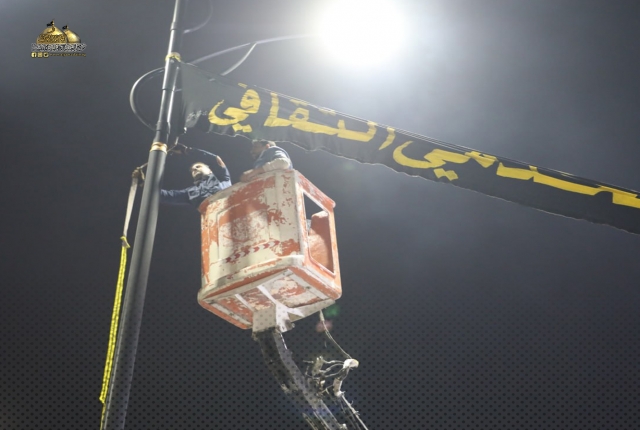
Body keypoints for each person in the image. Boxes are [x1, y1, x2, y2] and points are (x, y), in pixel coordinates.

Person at [160, 147, 232, 208]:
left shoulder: (221, 176)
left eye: (198, 166)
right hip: (213, 219)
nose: (194, 169)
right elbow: (168, 196)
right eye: (192, 170)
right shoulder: (190, 192)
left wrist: (186, 150)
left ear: (210, 170)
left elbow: (215, 160)